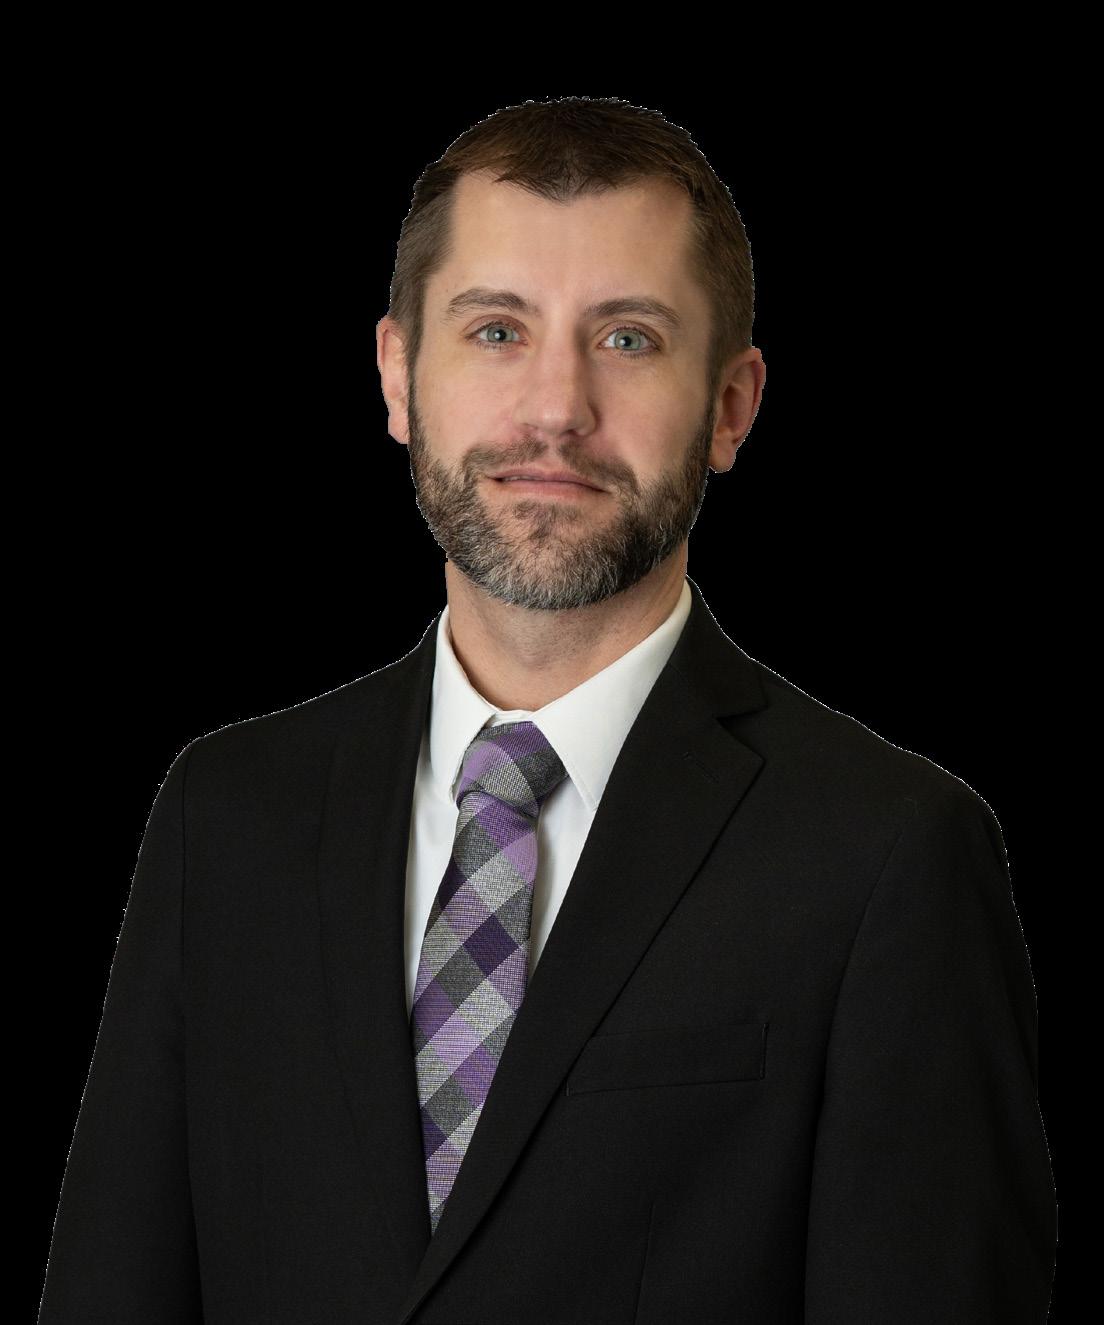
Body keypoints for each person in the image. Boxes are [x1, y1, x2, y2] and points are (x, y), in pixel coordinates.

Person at [40, 96, 1056, 1323]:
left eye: (628, 338)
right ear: (397, 375)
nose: (556, 407)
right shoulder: (226, 815)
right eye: (497, 330)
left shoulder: (890, 853)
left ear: (731, 405)